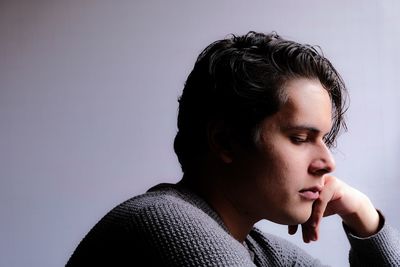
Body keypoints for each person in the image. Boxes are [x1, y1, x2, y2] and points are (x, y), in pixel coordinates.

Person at [66, 31, 400, 266]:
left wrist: (363, 217)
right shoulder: (167, 222)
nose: (327, 163)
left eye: (324, 140)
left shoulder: (263, 251)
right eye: (300, 138)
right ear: (226, 141)